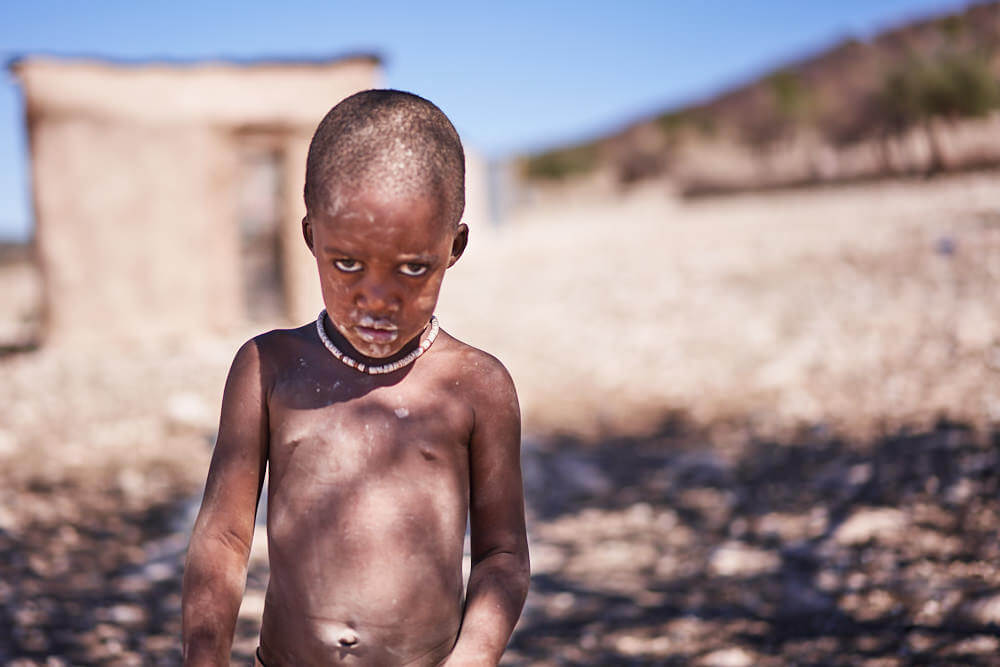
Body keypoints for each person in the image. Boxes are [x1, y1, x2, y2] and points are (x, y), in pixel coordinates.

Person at [181, 89, 530, 666]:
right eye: (347, 264)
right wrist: (205, 658)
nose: (377, 299)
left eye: (413, 268)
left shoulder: (477, 387)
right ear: (311, 236)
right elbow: (222, 539)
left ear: (455, 248)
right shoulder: (269, 369)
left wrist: (471, 659)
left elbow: (502, 556)